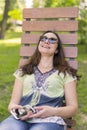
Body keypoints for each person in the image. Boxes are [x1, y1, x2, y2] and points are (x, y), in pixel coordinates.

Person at [0, 30, 79, 130]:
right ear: (39, 45)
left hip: (50, 120)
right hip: (22, 119)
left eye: (52, 40)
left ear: (56, 50)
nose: (46, 41)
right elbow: (12, 104)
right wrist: (18, 110)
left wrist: (53, 111)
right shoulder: (23, 71)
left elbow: (73, 109)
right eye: (43, 38)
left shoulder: (66, 74)